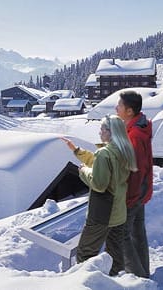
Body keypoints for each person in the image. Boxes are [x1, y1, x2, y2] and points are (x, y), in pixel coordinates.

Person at [61, 115, 137, 276]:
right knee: (115, 253)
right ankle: (115, 282)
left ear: (111, 132)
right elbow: (99, 163)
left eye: (102, 129)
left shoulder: (105, 153)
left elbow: (99, 183)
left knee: (85, 253)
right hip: (118, 212)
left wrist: (83, 171)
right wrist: (76, 150)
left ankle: (85, 283)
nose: (100, 131)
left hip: (103, 214)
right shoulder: (124, 150)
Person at [115, 90, 153, 278]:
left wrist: (130, 197)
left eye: (119, 105)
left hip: (134, 191)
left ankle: (137, 278)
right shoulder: (137, 128)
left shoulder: (135, 134)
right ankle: (143, 275)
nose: (116, 108)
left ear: (129, 111)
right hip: (141, 190)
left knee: (120, 235)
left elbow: (136, 167)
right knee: (137, 233)